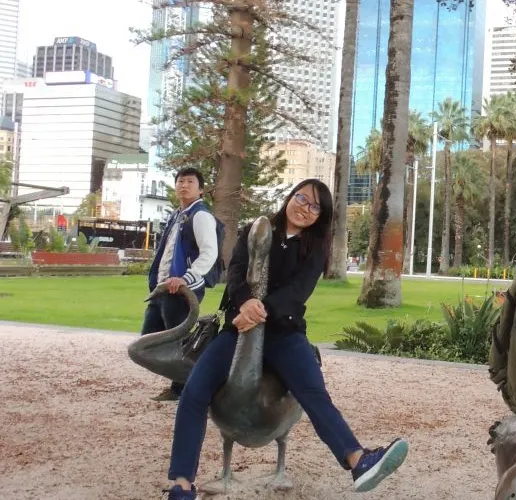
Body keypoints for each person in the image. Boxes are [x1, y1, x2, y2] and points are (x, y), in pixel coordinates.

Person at [162, 179, 408, 500]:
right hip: (238, 329)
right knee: (194, 391)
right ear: (290, 197)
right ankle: (182, 483)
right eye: (301, 199)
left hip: (283, 332)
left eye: (314, 206)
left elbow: (297, 292)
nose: (305, 208)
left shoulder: (315, 249)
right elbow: (235, 271)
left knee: (313, 392)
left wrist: (257, 310)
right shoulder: (255, 230)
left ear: (321, 216)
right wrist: (245, 302)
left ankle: (358, 460)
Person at [142, 167, 219, 401]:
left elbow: (210, 253)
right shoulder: (178, 215)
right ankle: (192, 380)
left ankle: (185, 389)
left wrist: (186, 279)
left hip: (182, 290)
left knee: (178, 343)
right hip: (164, 288)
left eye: (190, 181)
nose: (184, 185)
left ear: (201, 189)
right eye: (180, 181)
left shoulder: (201, 216)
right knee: (148, 337)